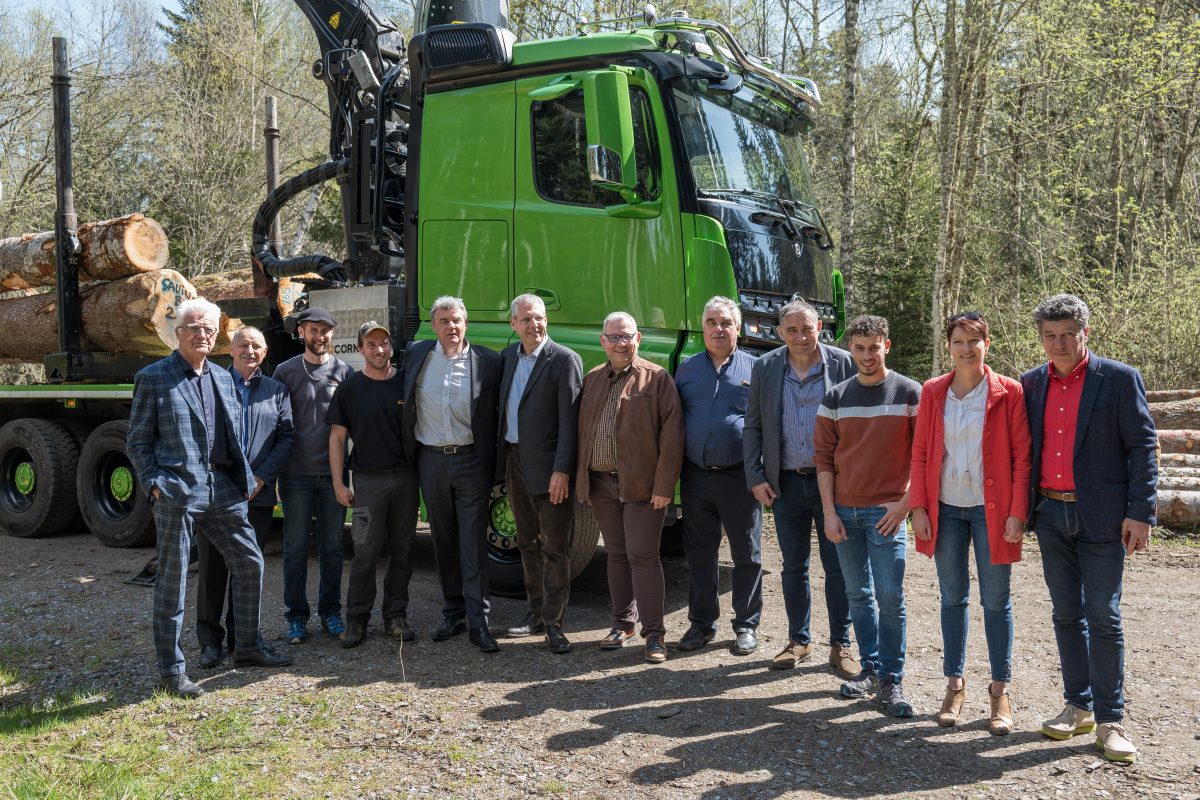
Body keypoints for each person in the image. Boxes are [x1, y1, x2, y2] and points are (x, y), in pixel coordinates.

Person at [128, 298, 291, 698]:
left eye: (209, 329)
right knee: (172, 579)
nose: (202, 334)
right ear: (178, 332)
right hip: (177, 491)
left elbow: (233, 435)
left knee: (250, 561)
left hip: (223, 487)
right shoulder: (154, 377)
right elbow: (137, 440)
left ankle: (248, 646)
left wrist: (247, 477)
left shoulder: (221, 377)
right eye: (194, 327)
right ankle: (172, 670)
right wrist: (154, 482)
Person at [1022, 294, 1157, 763]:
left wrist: (1141, 512)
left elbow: (1143, 446)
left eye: (1067, 335)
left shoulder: (1118, 379)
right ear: (1041, 338)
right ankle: (1077, 706)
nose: (1058, 344)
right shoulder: (1031, 383)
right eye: (1049, 336)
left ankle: (1110, 719)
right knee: (1065, 614)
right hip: (1050, 515)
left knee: (1103, 615)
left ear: (1085, 334)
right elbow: (1026, 451)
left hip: (1104, 517)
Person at [909, 312, 1031, 735]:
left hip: (990, 510)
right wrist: (919, 507)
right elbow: (921, 452)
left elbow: (1021, 458)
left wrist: (1017, 512)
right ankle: (954, 685)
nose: (965, 348)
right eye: (958, 341)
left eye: (973, 341)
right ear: (950, 346)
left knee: (996, 601)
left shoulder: (1008, 392)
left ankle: (999, 691)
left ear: (986, 344)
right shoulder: (933, 391)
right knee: (952, 598)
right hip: (945, 508)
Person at [744, 299, 858, 678]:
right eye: (791, 330)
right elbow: (754, 426)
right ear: (780, 333)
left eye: (806, 328)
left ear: (819, 326)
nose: (800, 336)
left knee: (839, 567)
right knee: (794, 567)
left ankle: (841, 643)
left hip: (835, 485)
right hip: (786, 484)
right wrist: (755, 474)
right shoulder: (766, 367)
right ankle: (799, 639)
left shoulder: (842, 363)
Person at [814, 314, 921, 718]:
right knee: (858, 595)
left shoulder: (911, 394)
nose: (866, 355)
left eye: (873, 347)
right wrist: (828, 512)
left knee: (890, 597)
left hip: (887, 513)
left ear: (886, 346)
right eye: (858, 348)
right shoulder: (836, 397)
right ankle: (871, 669)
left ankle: (893, 679)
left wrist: (906, 503)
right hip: (843, 512)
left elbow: (927, 456)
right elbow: (823, 458)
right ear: (850, 349)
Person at [576, 311, 683, 664]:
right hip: (602, 485)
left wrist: (664, 486)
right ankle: (623, 624)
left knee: (643, 557)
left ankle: (655, 635)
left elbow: (672, 438)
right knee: (616, 555)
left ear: (639, 339)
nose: (622, 343)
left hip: (642, 487)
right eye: (615, 337)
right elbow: (580, 434)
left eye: (628, 337)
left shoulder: (657, 378)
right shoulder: (592, 379)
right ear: (602, 341)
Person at [403, 297, 502, 653]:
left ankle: (479, 621)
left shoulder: (488, 362)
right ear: (434, 326)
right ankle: (453, 612)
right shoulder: (417, 356)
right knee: (442, 539)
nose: (451, 327)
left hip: (471, 460)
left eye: (457, 319)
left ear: (467, 322)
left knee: (473, 543)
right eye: (443, 320)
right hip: (430, 460)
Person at [196, 326, 294, 669]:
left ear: (265, 353)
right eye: (243, 345)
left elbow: (285, 438)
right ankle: (210, 643)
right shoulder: (210, 385)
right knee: (212, 570)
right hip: (217, 492)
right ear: (230, 350)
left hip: (258, 494)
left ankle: (244, 640)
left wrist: (263, 477)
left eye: (256, 346)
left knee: (248, 570)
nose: (249, 350)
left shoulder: (277, 391)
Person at [675, 296, 762, 656]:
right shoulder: (686, 369)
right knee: (699, 553)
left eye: (725, 322)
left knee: (748, 553)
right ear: (703, 326)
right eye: (711, 322)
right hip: (696, 476)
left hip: (740, 478)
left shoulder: (756, 369)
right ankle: (701, 624)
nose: (718, 328)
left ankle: (746, 624)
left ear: (737, 328)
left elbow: (765, 425)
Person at [497, 294, 583, 654]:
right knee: (527, 543)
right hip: (515, 462)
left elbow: (571, 422)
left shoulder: (564, 360)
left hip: (550, 470)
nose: (535, 325)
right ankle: (534, 613)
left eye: (540, 318)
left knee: (555, 548)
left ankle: (555, 623)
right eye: (527, 319)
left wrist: (562, 470)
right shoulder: (507, 357)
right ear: (513, 324)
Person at [327, 321, 420, 648]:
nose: (379, 349)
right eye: (371, 344)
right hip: (368, 482)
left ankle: (395, 616)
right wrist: (339, 483)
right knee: (365, 554)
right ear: (359, 349)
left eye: (384, 343)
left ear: (390, 346)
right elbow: (337, 438)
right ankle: (356, 621)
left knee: (403, 551)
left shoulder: (407, 383)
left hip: (406, 479)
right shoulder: (350, 388)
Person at [272, 307, 354, 644]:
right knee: (294, 549)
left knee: (333, 548)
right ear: (301, 332)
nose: (319, 337)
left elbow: (352, 426)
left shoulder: (344, 372)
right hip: (296, 476)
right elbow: (274, 422)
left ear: (332, 334)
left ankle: (331, 612)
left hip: (333, 476)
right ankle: (296, 617)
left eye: (325, 331)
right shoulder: (285, 371)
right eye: (313, 330)